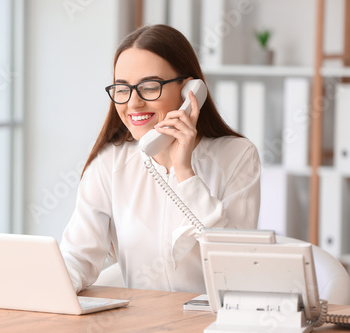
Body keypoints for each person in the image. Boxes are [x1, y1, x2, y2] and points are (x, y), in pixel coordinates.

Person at [60, 24, 261, 294]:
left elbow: (238, 264)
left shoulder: (237, 156)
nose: (133, 104)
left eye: (149, 86)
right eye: (122, 89)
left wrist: (184, 172)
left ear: (190, 90)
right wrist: (47, 292)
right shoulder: (109, 164)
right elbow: (77, 258)